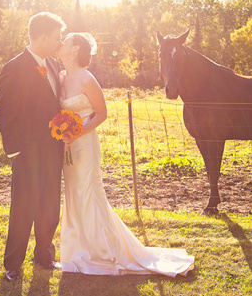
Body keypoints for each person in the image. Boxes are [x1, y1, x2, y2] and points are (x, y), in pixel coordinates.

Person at [56, 32, 195, 277]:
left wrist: (76, 133)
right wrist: (63, 134)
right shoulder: (60, 77)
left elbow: (102, 113)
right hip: (68, 147)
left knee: (89, 193)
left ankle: (102, 251)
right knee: (73, 196)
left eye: (65, 41)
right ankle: (76, 251)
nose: (60, 44)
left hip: (85, 144)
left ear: (75, 48)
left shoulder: (87, 79)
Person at [0, 12, 66, 282]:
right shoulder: (14, 67)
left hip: (52, 150)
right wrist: (14, 151)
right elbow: (4, 113)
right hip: (26, 153)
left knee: (49, 205)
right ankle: (13, 263)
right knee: (23, 207)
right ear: (43, 36)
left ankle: (45, 255)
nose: (59, 43)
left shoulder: (52, 62)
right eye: (57, 38)